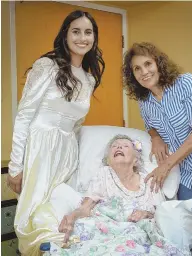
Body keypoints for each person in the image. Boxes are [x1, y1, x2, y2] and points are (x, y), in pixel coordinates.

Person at [7, 10, 105, 255]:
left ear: (94, 38)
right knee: (33, 215)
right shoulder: (46, 66)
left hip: (66, 153)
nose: (82, 37)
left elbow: (76, 123)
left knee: (60, 213)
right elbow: (24, 116)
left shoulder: (89, 79)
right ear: (65, 35)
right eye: (76, 31)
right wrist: (15, 166)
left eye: (88, 32)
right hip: (39, 149)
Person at [122, 42, 192, 256]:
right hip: (187, 171)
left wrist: (166, 164)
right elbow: (150, 126)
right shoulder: (144, 101)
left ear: (158, 63)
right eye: (137, 69)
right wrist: (156, 137)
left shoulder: (185, 83)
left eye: (147, 64)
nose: (144, 72)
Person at [57, 135, 192, 255]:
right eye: (114, 146)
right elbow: (86, 207)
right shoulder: (104, 174)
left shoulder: (149, 180)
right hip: (108, 231)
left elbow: (161, 215)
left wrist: (145, 214)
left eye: (125, 146)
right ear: (108, 159)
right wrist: (71, 217)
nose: (118, 147)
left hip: (139, 234)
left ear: (136, 159)